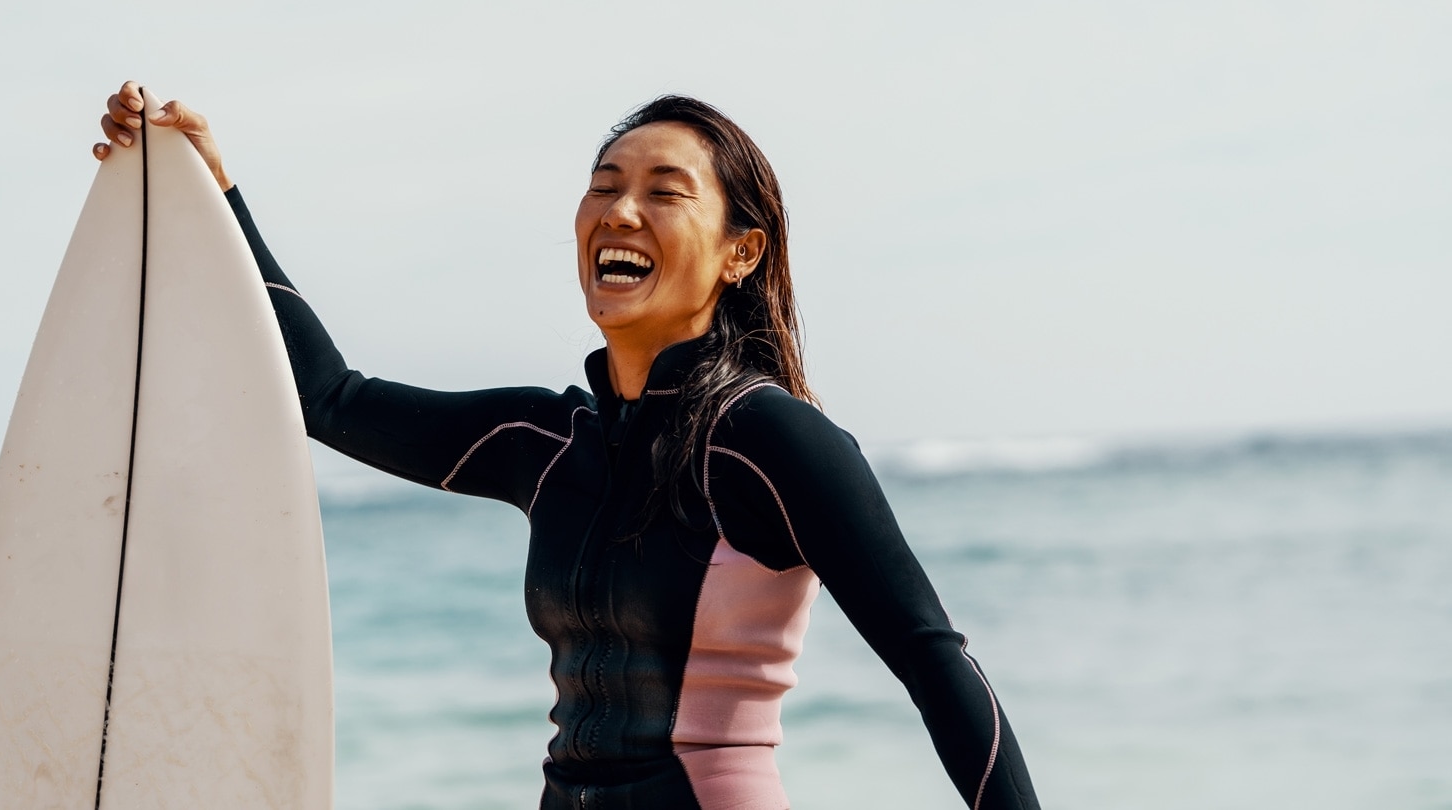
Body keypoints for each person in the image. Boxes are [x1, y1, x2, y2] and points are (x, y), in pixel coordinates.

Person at [94, 81, 1041, 810]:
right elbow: (327, 398)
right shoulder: (547, 442)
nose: (620, 212)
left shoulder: (767, 441)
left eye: (664, 193)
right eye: (603, 187)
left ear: (740, 254)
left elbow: (933, 660)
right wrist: (209, 195)